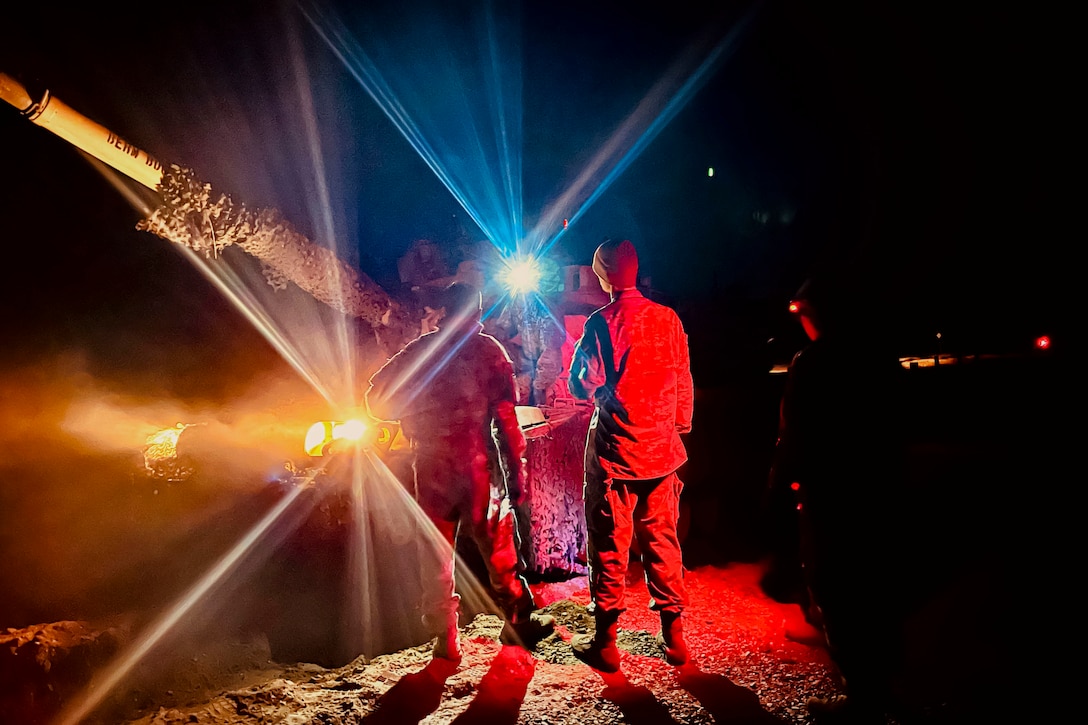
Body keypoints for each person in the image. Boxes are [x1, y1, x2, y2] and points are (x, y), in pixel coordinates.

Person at [365, 280, 554, 662]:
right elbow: (507, 422)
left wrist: (415, 403)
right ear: (477, 311)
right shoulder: (489, 351)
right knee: (499, 549)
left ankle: (445, 638)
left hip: (432, 466)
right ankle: (517, 621)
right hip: (479, 468)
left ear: (444, 312)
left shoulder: (421, 351)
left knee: (434, 555)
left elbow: (375, 402)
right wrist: (517, 478)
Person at [767, 269, 909, 723]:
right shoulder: (881, 359)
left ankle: (862, 697)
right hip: (880, 490)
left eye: (803, 313)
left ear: (817, 314)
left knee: (836, 586)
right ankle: (885, 682)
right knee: (877, 585)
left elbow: (794, 435)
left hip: (831, 495)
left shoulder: (813, 362)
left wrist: (779, 486)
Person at [566, 238, 695, 673]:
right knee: (663, 541)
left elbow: (584, 385)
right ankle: (674, 638)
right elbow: (683, 381)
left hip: (614, 455)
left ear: (602, 275)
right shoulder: (668, 318)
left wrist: (578, 375)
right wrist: (676, 426)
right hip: (662, 453)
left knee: (608, 545)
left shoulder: (601, 323)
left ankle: (606, 643)